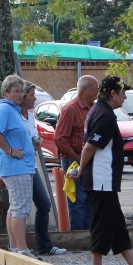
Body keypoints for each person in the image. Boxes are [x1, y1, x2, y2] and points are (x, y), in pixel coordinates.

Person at [74, 76, 133, 265]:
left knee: (118, 224)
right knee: (103, 224)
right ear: (113, 93)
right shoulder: (105, 115)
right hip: (101, 179)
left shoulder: (99, 110)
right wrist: (81, 169)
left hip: (106, 180)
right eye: (123, 92)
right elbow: (89, 146)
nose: (125, 96)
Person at [0, 75, 39, 258]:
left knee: (15, 207)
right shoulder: (5, 109)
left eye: (21, 91)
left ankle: (15, 247)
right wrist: (10, 151)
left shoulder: (13, 110)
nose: (20, 95)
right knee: (21, 208)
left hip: (19, 166)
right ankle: (22, 249)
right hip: (17, 166)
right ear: (6, 93)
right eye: (16, 91)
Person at [18, 81, 66, 256]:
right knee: (18, 208)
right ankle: (17, 247)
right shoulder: (15, 116)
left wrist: (36, 141)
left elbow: (32, 136)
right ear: (22, 97)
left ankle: (43, 246)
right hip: (19, 167)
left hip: (31, 165)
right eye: (31, 95)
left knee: (44, 205)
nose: (35, 98)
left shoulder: (30, 115)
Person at [55, 75, 98, 230]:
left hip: (87, 159)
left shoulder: (93, 107)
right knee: (78, 200)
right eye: (96, 88)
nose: (98, 91)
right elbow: (60, 138)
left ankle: (89, 235)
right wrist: (76, 157)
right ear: (85, 90)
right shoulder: (71, 109)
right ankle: (78, 236)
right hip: (74, 160)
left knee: (89, 198)